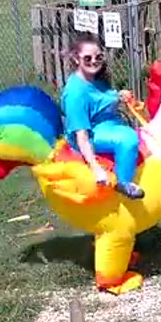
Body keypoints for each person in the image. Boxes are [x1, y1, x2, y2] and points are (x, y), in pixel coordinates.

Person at [61, 32, 144, 200]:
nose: (94, 62)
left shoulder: (95, 78)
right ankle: (123, 184)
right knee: (128, 139)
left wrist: (118, 96)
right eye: (87, 58)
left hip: (109, 125)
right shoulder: (75, 93)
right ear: (76, 59)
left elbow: (101, 99)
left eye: (98, 57)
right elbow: (82, 135)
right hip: (89, 134)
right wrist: (95, 167)